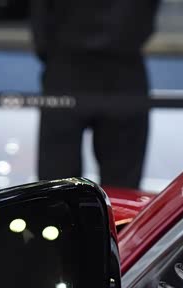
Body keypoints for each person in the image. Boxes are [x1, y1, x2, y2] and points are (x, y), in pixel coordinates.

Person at [31, 0, 161, 190]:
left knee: (59, 184)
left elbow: (40, 16)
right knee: (120, 182)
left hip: (69, 68)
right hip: (121, 69)